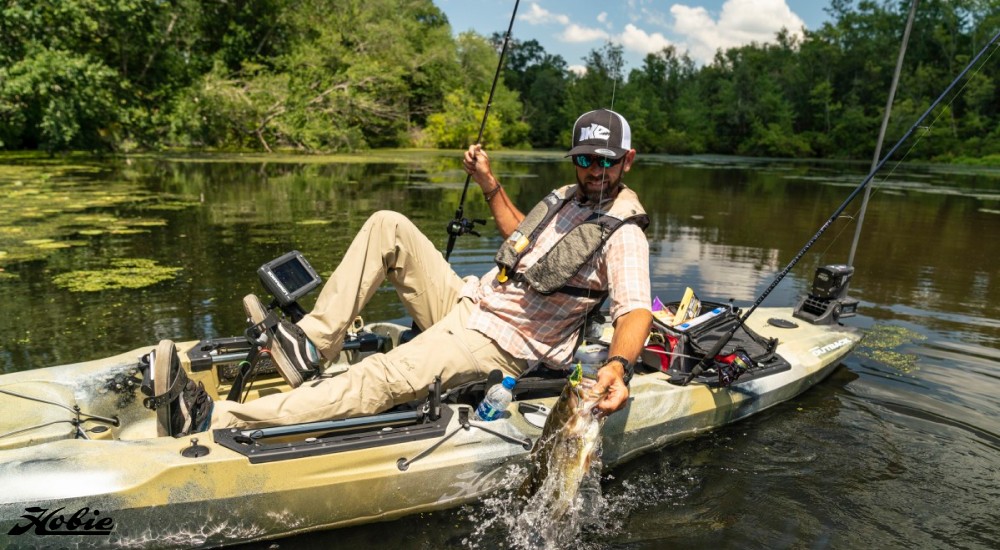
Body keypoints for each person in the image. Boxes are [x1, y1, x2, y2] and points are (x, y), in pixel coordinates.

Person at [202, 108, 653, 432]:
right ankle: (312, 345)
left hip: (501, 343)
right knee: (388, 225)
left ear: (626, 160)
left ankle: (216, 418)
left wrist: (617, 365)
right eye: (586, 159)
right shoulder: (568, 198)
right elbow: (523, 238)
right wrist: (487, 182)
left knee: (378, 373)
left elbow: (636, 311)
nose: (595, 171)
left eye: (607, 161)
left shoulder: (624, 233)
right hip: (472, 301)